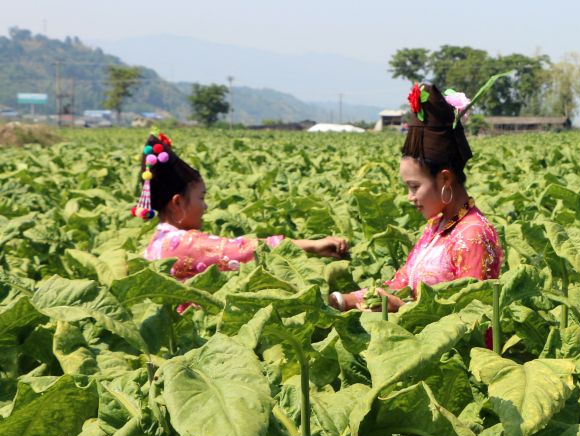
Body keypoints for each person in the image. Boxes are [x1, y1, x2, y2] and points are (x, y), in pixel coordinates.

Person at [329, 82, 503, 312]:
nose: (409, 197)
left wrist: (402, 309)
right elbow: (399, 284)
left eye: (414, 186)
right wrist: (347, 299)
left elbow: (476, 320)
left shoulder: (474, 235)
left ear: (445, 180)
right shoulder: (437, 225)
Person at [134, 131, 349, 282]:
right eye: (201, 198)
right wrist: (311, 245)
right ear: (178, 202)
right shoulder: (182, 243)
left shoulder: (158, 241)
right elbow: (245, 249)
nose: (205, 206)